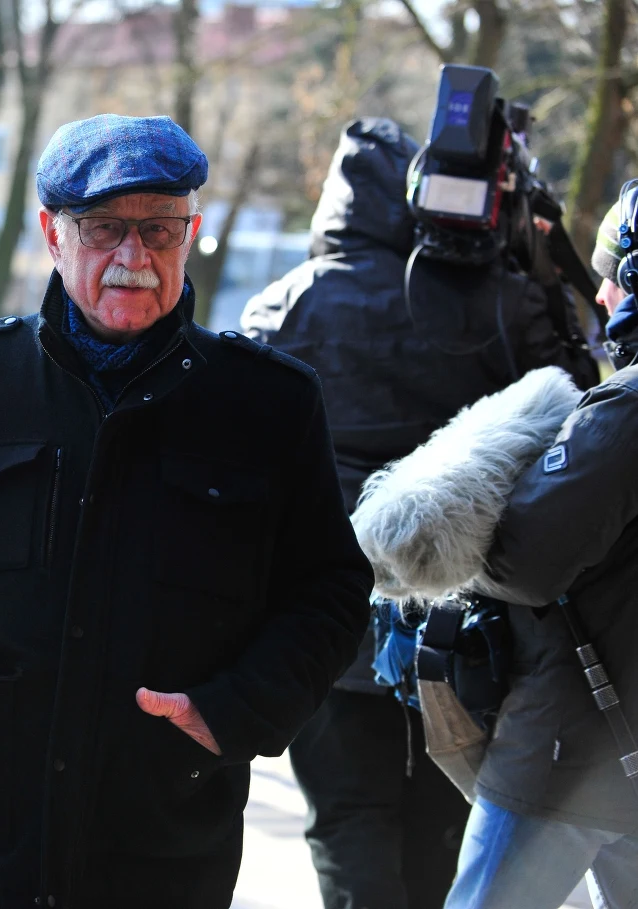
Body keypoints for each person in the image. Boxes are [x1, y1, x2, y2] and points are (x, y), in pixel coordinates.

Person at [0, 113, 374, 909]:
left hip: (165, 847)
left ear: (192, 234)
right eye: (104, 227)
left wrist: (233, 710)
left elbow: (332, 588)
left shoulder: (268, 403)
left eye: (159, 230)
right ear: (52, 233)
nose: (133, 257)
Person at [240, 118, 599, 909]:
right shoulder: (500, 300)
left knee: (346, 819)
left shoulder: (279, 308)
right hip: (465, 625)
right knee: (445, 819)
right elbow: (574, 415)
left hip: (323, 621)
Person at [433, 182, 638, 909]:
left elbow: (526, 560)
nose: (605, 293)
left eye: (616, 273)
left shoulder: (628, 409)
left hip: (569, 754)